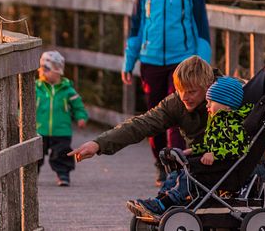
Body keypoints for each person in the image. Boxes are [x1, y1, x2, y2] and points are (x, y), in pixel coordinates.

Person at [121, 0, 212, 185]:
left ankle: (177, 167)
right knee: (155, 117)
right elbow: (136, 27)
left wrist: (203, 68)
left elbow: (201, 27)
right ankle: (161, 164)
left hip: (181, 62)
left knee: (178, 114)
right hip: (150, 62)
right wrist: (129, 61)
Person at [70, 56, 215, 178]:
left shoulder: (230, 97)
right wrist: (98, 144)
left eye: (191, 92)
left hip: (223, 161)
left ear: (208, 86)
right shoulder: (176, 102)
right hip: (198, 161)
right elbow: (141, 124)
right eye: (180, 90)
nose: (184, 97)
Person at [128, 76, 253, 216]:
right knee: (176, 171)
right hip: (214, 166)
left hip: (223, 169)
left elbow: (239, 148)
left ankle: (165, 203)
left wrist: (215, 154)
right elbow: (210, 145)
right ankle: (161, 200)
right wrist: (193, 150)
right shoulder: (218, 122)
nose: (207, 106)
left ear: (226, 105)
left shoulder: (234, 125)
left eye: (210, 102)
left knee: (188, 173)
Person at [36, 50, 89, 186]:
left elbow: (78, 106)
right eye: (41, 70)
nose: (42, 73)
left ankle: (63, 175)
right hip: (39, 129)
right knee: (35, 156)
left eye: (46, 70)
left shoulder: (67, 90)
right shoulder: (37, 88)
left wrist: (81, 117)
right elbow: (24, 106)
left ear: (58, 70)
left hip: (61, 130)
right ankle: (30, 177)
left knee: (62, 154)